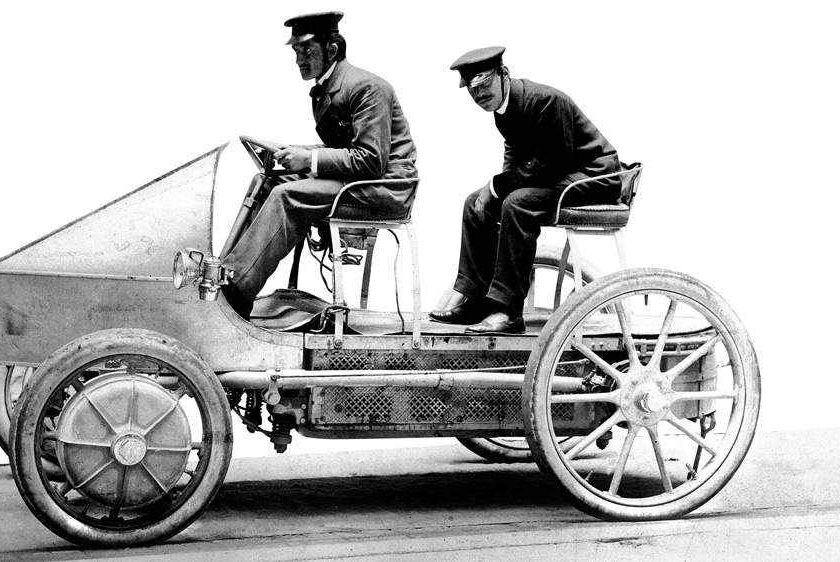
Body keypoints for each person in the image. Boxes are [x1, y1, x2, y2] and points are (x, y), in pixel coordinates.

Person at [222, 11, 418, 319]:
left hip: (385, 187)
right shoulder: (328, 86)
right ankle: (226, 272)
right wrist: (295, 152)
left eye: (307, 51)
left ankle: (236, 291)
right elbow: (343, 149)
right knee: (267, 183)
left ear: (332, 50)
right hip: (362, 180)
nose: (300, 59)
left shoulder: (366, 87)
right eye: (297, 52)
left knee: (287, 197)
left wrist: (308, 159)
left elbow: (370, 160)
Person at [429, 46, 621, 333]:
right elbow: (515, 155)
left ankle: (507, 312)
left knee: (517, 204)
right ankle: (474, 297)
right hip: (566, 173)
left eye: (484, 85)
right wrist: (494, 190)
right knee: (474, 203)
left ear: (503, 74)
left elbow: (554, 163)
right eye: (473, 92)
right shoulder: (503, 108)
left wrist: (497, 186)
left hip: (594, 176)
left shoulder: (544, 101)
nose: (480, 96)